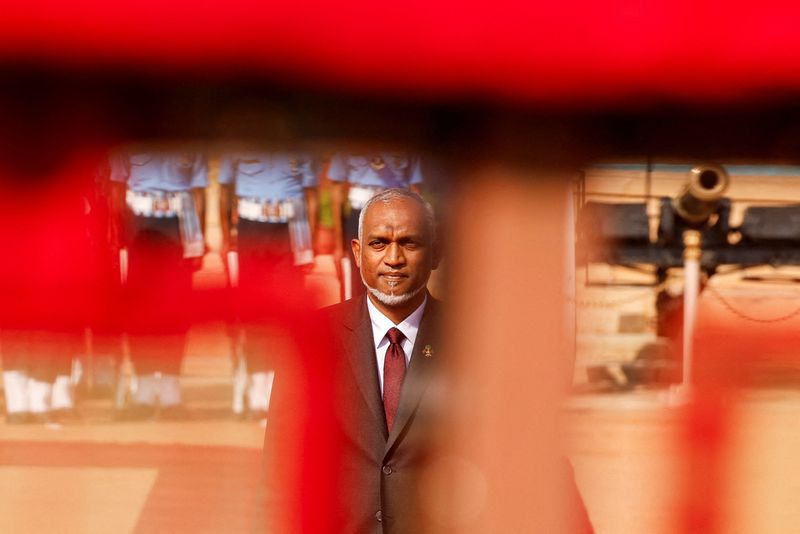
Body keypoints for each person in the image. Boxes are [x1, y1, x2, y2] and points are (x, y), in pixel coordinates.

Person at [264, 188, 442, 533]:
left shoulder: (471, 342)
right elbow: (279, 473)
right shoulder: (312, 340)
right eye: (378, 244)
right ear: (358, 253)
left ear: (435, 252)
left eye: (409, 243)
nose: (393, 258)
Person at [217, 151, 318, 420]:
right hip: (251, 226)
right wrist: (227, 234)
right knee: (253, 312)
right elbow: (224, 191)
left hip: (290, 229)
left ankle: (281, 392)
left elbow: (312, 196)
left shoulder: (302, 141)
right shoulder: (238, 140)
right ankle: (258, 393)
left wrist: (310, 244)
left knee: (287, 314)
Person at [109, 148, 208, 420]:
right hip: (139, 223)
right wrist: (119, 231)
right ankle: (143, 388)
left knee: (177, 308)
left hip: (180, 225)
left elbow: (198, 192)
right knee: (138, 308)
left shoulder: (191, 138)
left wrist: (197, 240)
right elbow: (117, 186)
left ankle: (170, 390)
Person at [327, 153, 424, 301]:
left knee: (396, 274)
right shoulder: (347, 137)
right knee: (354, 282)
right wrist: (338, 244)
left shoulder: (408, 135)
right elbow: (336, 191)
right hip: (358, 212)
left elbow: (416, 188)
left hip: (398, 213)